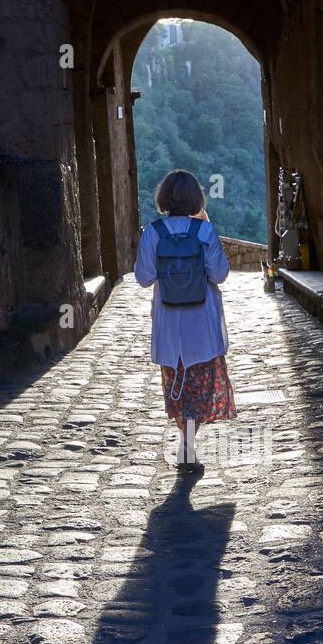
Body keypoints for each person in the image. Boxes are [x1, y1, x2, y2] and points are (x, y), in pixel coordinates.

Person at [134, 169, 237, 472]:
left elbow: (143, 277)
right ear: (196, 198)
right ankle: (187, 445)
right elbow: (220, 274)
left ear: (164, 198)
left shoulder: (153, 232)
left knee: (177, 386)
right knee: (197, 387)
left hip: (169, 327)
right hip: (200, 327)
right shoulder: (204, 231)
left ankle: (186, 443)